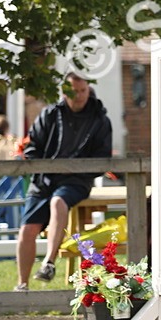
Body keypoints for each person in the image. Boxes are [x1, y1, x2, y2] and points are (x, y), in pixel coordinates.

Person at [14, 74, 112, 291]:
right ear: (63, 92)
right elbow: (32, 148)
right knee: (27, 230)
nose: (77, 96)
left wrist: (79, 169)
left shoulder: (99, 119)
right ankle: (22, 285)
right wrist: (41, 166)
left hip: (77, 181)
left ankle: (48, 262)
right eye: (72, 91)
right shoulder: (49, 114)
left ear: (88, 89)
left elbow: (103, 157)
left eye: (82, 91)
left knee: (58, 201)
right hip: (44, 179)